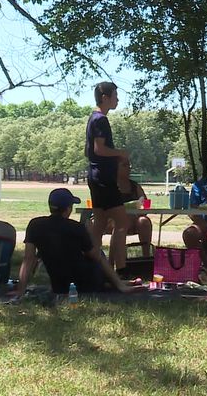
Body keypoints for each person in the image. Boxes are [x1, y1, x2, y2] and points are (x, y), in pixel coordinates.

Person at [11, 188, 136, 297]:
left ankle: (114, 283)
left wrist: (21, 289)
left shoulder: (35, 225)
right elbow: (95, 256)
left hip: (59, 284)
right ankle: (118, 283)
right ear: (68, 209)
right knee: (100, 254)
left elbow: (28, 259)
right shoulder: (76, 227)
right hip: (87, 282)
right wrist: (90, 234)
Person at [85, 81, 130, 274]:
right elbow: (99, 149)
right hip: (104, 179)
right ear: (105, 97)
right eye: (115, 96)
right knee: (122, 223)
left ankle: (94, 268)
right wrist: (120, 153)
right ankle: (120, 270)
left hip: (95, 177)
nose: (117, 99)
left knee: (100, 224)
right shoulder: (100, 119)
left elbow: (89, 152)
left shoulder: (92, 118)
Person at [101, 159, 152, 257]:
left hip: (134, 221)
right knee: (122, 222)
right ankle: (113, 262)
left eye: (129, 165)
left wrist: (140, 208)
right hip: (111, 221)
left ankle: (146, 259)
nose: (128, 168)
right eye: (124, 165)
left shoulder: (135, 186)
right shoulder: (108, 186)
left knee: (144, 221)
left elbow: (145, 205)